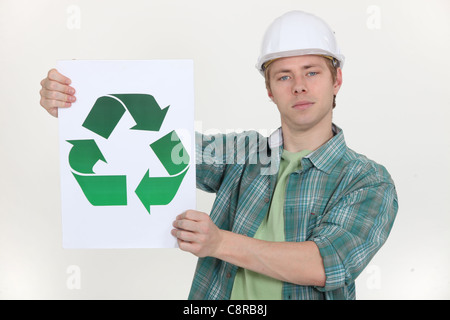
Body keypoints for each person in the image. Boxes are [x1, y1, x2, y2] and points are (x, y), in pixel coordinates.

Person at [39, 10, 398, 300]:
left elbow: (325, 263)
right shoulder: (243, 153)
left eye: (312, 72)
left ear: (336, 80)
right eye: (284, 76)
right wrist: (76, 105)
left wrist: (220, 242)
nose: (299, 86)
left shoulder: (366, 180)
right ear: (270, 91)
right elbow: (158, 144)